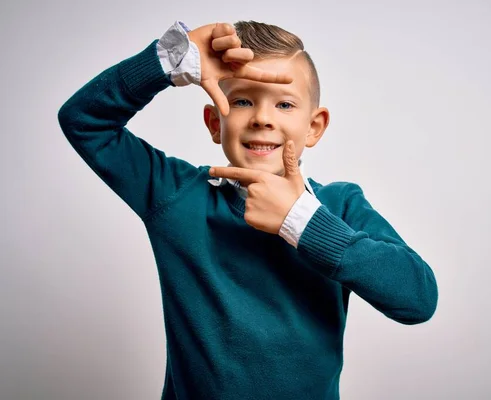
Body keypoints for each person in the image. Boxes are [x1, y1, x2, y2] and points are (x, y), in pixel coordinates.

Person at [58, 19, 438, 400]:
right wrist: (168, 59)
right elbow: (84, 122)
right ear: (214, 122)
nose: (262, 118)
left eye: (285, 104)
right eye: (242, 101)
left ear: (314, 127)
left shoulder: (338, 206)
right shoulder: (175, 195)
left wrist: (301, 221)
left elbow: (418, 299)